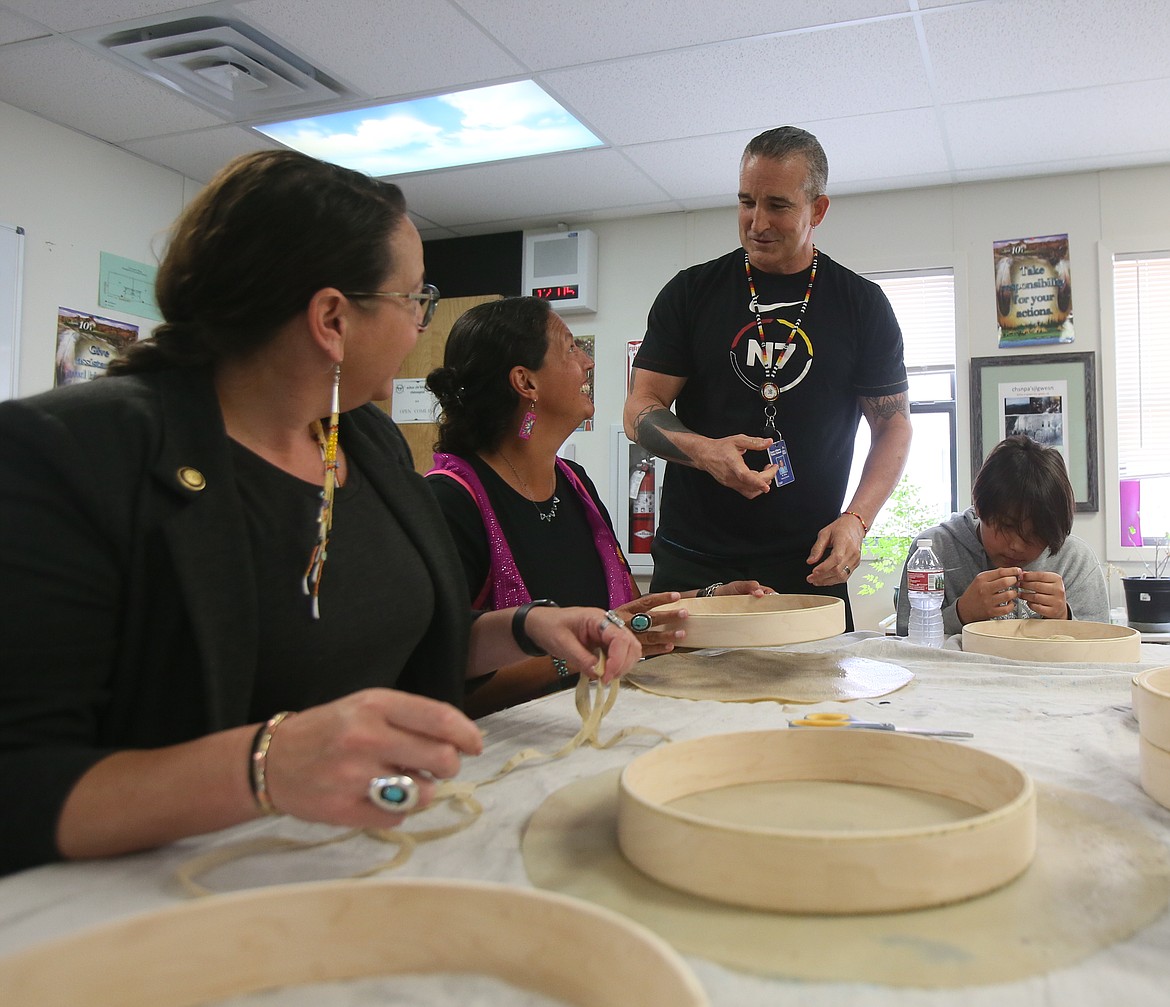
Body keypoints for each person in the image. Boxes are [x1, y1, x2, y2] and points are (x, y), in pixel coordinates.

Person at [0, 151, 640, 876]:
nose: (415, 329)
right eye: (412, 301)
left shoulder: (364, 442)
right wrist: (266, 764)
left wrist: (525, 628)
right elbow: (20, 781)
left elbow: (396, 642)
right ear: (332, 319)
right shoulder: (71, 454)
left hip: (364, 855)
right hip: (172, 891)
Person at [623, 125, 912, 631]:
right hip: (696, 559)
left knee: (814, 706)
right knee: (682, 703)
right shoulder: (691, 293)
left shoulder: (861, 306)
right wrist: (703, 451)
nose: (757, 222)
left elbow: (894, 426)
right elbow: (639, 408)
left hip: (807, 561)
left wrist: (857, 520)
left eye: (777, 205)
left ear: (817, 210)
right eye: (745, 202)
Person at [425, 296, 771, 716]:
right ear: (526, 382)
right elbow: (441, 682)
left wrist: (710, 598)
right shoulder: (450, 501)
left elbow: (618, 615)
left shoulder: (573, 482)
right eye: (571, 348)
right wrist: (583, 653)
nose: (587, 362)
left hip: (593, 728)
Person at [895, 435, 1109, 636]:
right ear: (979, 506)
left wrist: (1064, 617)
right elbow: (906, 640)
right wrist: (962, 614)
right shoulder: (933, 551)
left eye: (1034, 535)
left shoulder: (1075, 560)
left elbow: (1104, 645)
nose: (1016, 545)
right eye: (1006, 527)